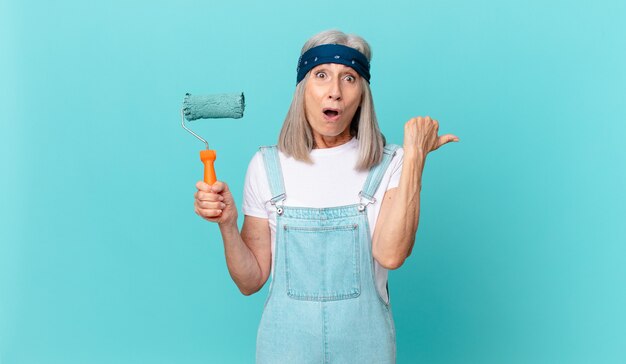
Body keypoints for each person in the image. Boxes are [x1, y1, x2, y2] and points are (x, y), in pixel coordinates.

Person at [194, 29, 459, 364]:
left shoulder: (390, 164)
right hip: (284, 349)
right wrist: (228, 225)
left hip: (366, 350)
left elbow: (391, 255)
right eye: (321, 75)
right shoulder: (266, 165)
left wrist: (416, 159)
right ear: (303, 89)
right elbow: (251, 281)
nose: (334, 92)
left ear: (362, 95)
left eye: (349, 78)